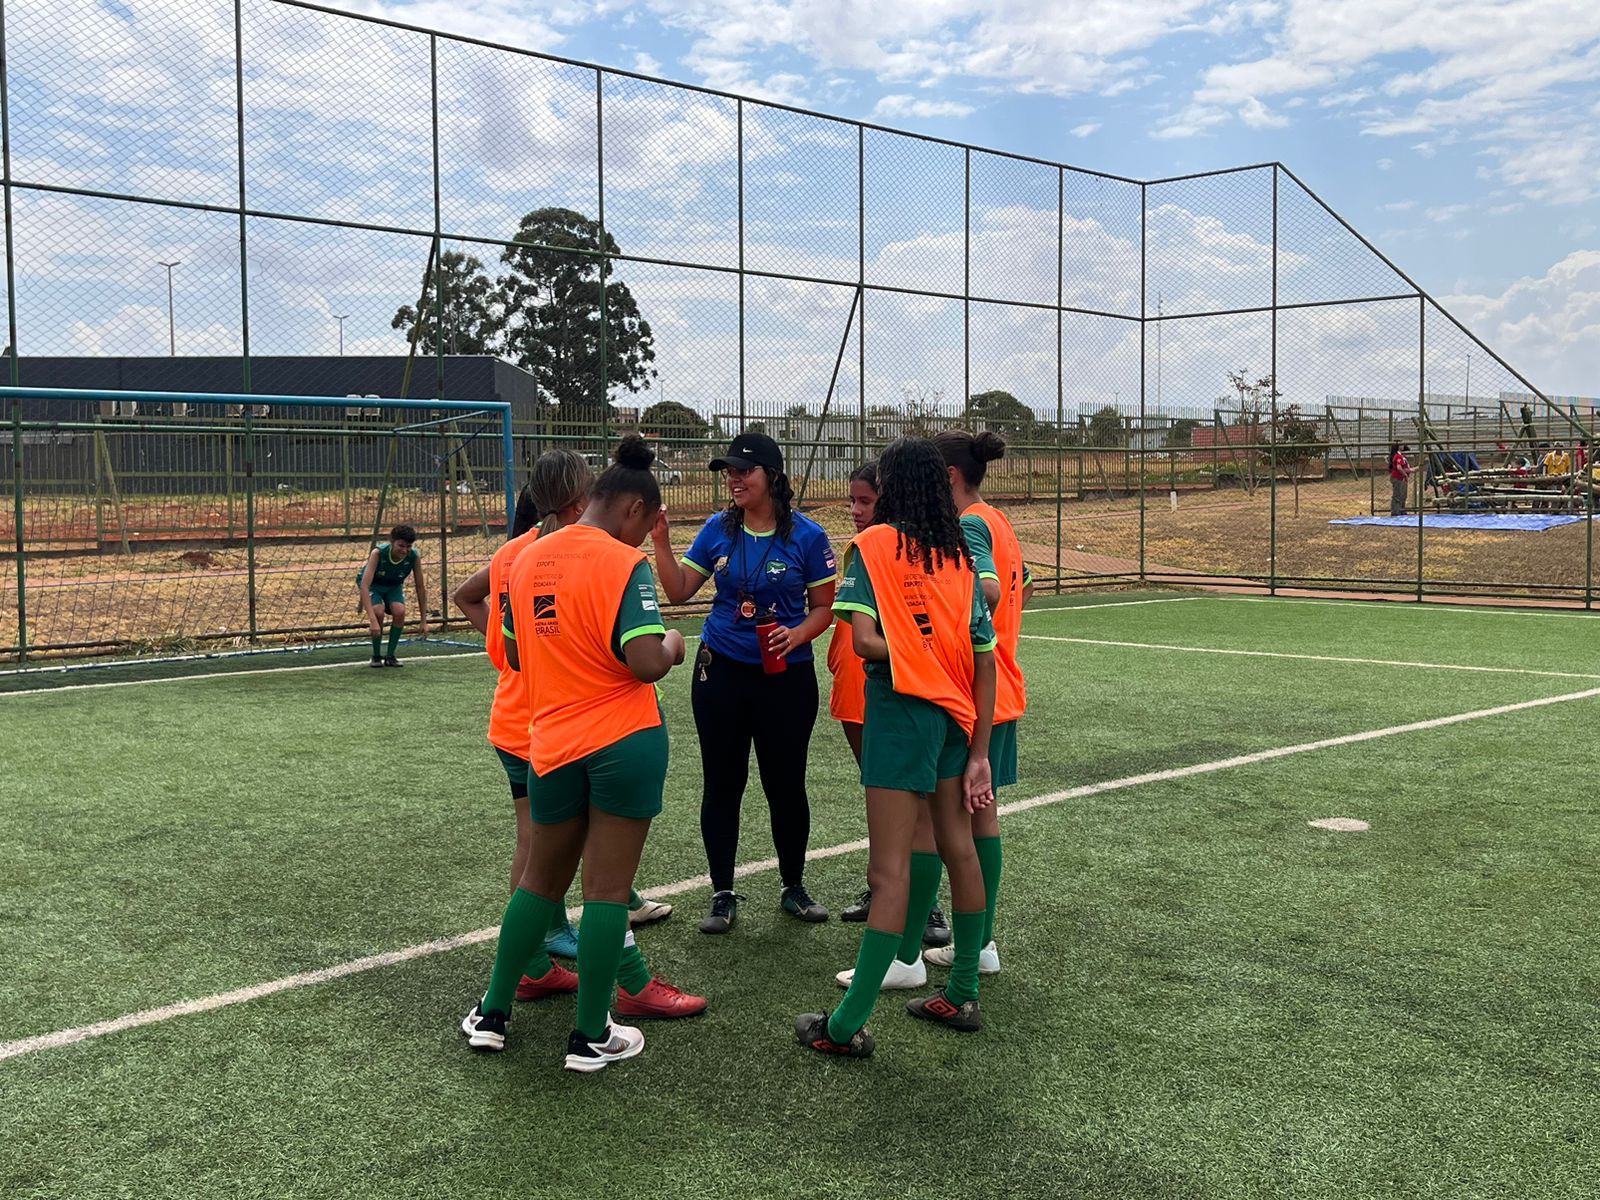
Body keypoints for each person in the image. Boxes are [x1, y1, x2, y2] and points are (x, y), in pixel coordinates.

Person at [461, 436, 700, 1072]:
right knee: (606, 891)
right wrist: (677, 641)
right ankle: (592, 1035)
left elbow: (512, 652)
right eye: (647, 527)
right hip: (622, 742)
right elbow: (646, 661)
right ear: (633, 512)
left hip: (548, 745)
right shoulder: (626, 565)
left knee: (538, 884)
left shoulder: (525, 559)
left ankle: (491, 1013)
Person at [796, 436, 997, 1059]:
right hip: (955, 720)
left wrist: (918, 653)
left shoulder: (873, 548)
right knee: (958, 848)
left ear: (891, 488)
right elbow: (984, 661)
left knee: (889, 871)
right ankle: (961, 992)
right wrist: (981, 748)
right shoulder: (959, 553)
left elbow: (863, 642)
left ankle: (846, 1024)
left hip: (900, 715)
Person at [652, 431, 838, 933]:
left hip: (785, 677)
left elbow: (825, 609)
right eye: (728, 472)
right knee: (723, 783)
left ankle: (794, 886)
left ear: (771, 476)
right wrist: (662, 541)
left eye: (742, 471)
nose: (733, 480)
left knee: (785, 784)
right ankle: (722, 893)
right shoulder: (717, 529)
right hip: (721, 673)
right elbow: (678, 590)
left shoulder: (809, 536)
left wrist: (796, 634)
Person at [835, 462, 950, 950]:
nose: (856, 511)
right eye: (853, 501)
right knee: (886, 812)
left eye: (866, 501)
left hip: (900, 694)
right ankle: (885, 893)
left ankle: (922, 912)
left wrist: (924, 650)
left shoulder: (897, 550)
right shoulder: (860, 551)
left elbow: (882, 635)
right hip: (858, 694)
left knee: (917, 813)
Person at [357, 523, 428, 666]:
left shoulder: (413, 556)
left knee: (399, 611)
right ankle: (376, 656)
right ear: (392, 542)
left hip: (393, 585)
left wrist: (423, 620)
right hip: (373, 585)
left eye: (408, 547)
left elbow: (420, 587)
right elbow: (365, 586)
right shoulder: (378, 553)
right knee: (378, 612)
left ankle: (390, 656)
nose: (404, 550)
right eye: (401, 546)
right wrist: (373, 621)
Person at [1388, 444, 1411, 516]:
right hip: (1398, 477)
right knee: (1397, 495)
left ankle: (1401, 510)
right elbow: (1399, 467)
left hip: (1401, 478)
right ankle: (1396, 512)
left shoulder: (1401, 457)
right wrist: (1405, 474)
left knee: (1402, 495)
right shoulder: (1398, 456)